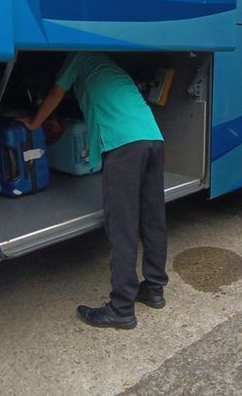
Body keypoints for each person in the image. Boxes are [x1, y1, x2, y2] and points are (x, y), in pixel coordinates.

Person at [21, 52, 166, 330]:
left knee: (121, 226)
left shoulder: (78, 58)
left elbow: (55, 94)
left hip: (123, 143)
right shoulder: (107, 65)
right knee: (153, 218)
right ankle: (155, 289)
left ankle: (121, 308)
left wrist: (34, 123)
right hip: (153, 137)